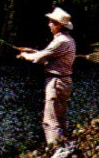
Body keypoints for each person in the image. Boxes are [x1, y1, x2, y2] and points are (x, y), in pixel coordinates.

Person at [15, 8, 77, 145]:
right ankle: (63, 147)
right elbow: (50, 55)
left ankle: (54, 151)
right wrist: (33, 51)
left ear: (59, 25)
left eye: (51, 22)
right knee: (60, 119)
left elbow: (40, 58)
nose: (49, 24)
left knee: (50, 121)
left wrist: (25, 55)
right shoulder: (69, 40)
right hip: (64, 82)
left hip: (56, 83)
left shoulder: (60, 41)